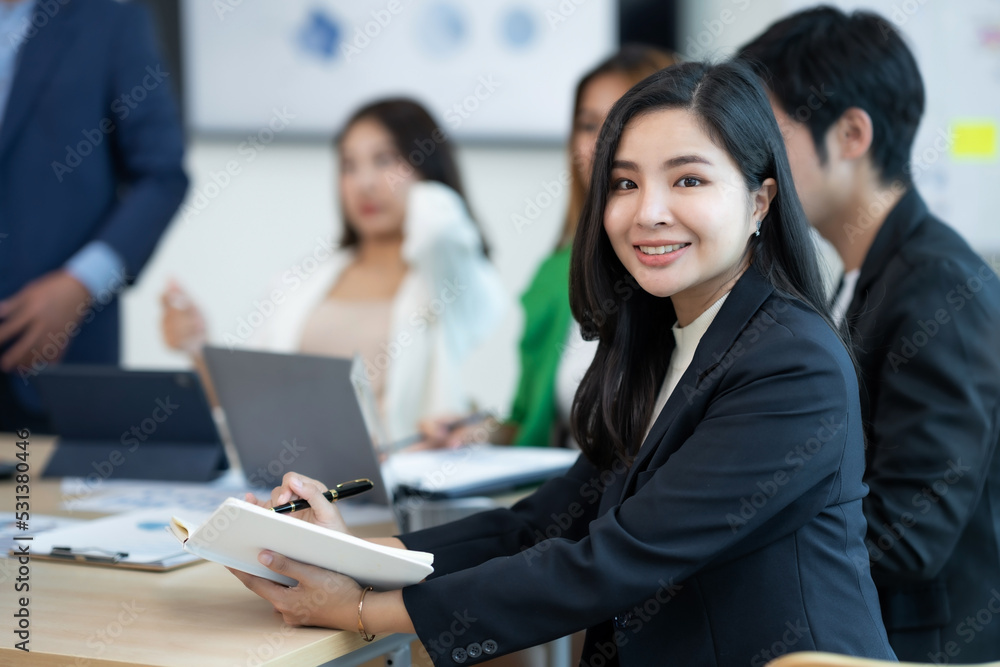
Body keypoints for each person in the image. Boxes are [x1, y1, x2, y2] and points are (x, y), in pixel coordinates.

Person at [228, 61, 896, 666]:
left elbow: (614, 559)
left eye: (688, 178)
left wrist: (358, 608)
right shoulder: (660, 336)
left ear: (760, 200)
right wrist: (361, 559)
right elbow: (547, 520)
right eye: (625, 183)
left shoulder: (792, 363)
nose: (648, 212)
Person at [739, 8, 1000, 663]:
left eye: (770, 134)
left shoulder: (938, 284)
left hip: (921, 647)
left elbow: (913, 535)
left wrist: (738, 533)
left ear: (851, 133)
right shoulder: (866, 273)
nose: (751, 164)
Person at [161, 98, 505, 442]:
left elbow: (439, 227)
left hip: (401, 485)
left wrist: (424, 182)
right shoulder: (303, 281)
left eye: (384, 160)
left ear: (426, 167)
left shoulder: (449, 283)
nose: (364, 183)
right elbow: (246, 400)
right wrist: (196, 346)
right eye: (348, 165)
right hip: (296, 481)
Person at [421, 45, 677, 450]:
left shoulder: (678, 265)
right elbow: (533, 424)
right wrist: (479, 432)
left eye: (621, 122)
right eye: (588, 126)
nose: (600, 145)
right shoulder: (558, 273)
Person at [0, 0, 188, 431]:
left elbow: (161, 175)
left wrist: (80, 284)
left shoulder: (110, 16)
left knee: (38, 500)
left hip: (56, 363)